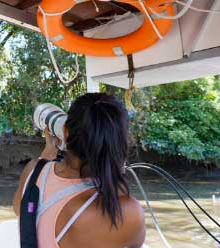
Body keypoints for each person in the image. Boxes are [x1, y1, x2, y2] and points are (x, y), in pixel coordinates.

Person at [11, 93, 146, 248]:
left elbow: (19, 209)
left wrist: (45, 157)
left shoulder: (33, 171)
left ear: (65, 132)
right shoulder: (126, 213)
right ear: (121, 140)